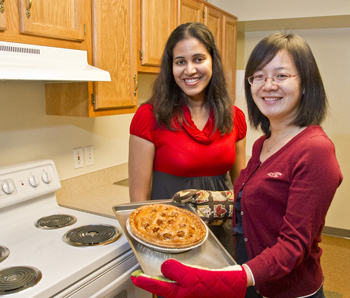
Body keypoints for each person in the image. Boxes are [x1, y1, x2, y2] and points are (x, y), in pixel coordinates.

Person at [131, 32, 343, 298]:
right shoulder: (263, 145)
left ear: (307, 84)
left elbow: (294, 245)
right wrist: (213, 202)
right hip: (249, 275)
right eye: (259, 76)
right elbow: (249, 200)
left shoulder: (315, 150)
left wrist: (232, 279)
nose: (268, 85)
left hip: (284, 288)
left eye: (281, 76)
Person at [128, 22, 247, 254]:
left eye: (198, 59)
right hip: (168, 238)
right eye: (180, 61)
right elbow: (138, 201)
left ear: (213, 61)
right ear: (170, 67)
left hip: (222, 238)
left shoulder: (235, 117)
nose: (189, 70)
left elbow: (241, 190)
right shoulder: (149, 116)